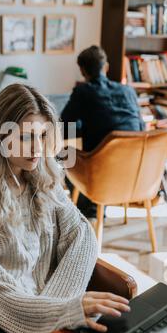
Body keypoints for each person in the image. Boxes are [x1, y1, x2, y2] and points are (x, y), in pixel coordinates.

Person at [0, 84, 130, 333]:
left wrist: (55, 307)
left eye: (43, 135)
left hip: (48, 301)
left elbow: (82, 235)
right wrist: (60, 311)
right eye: (25, 137)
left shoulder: (45, 175)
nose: (37, 148)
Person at [61, 45, 145, 217]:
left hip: (101, 175)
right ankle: (95, 207)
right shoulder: (128, 90)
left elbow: (65, 125)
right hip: (135, 173)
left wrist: (82, 127)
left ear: (83, 71)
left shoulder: (83, 92)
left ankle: (89, 209)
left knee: (61, 155)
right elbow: (141, 128)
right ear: (106, 67)